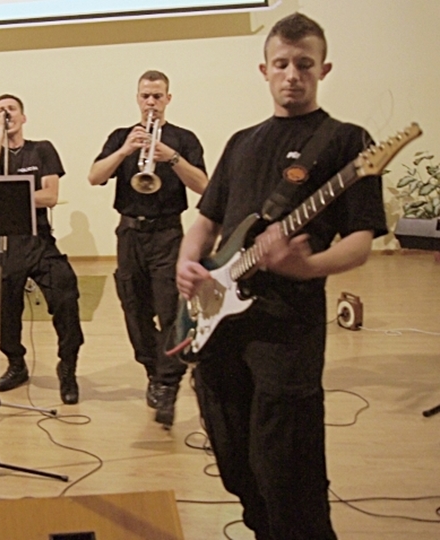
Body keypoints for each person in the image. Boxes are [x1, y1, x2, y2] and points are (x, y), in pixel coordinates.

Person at [175, 13, 386, 539]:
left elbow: (361, 241)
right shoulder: (242, 142)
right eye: (282, 64)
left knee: (288, 468)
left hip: (287, 329)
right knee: (234, 458)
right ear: (264, 69)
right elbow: (207, 220)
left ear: (323, 69)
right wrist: (187, 261)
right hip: (219, 325)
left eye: (305, 64)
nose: (293, 74)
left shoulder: (346, 141)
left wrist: (305, 266)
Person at [88, 70, 208, 428]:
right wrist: (126, 150)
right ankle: (155, 371)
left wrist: (171, 157)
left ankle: (167, 384)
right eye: (145, 96)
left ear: (168, 98)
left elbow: (204, 186)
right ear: (137, 98)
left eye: (158, 96)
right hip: (129, 234)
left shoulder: (184, 139)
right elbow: (94, 176)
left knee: (170, 312)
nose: (151, 102)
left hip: (168, 234)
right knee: (135, 311)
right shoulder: (120, 137)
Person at [0, 94, 85, 405]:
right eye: (0, 111)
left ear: (23, 117)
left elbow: (49, 196)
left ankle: (68, 366)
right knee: (0, 307)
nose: (7, 113)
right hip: (4, 243)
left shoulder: (42, 149)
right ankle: (16, 363)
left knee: (65, 293)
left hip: (38, 240)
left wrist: (5, 196)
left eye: (12, 109)